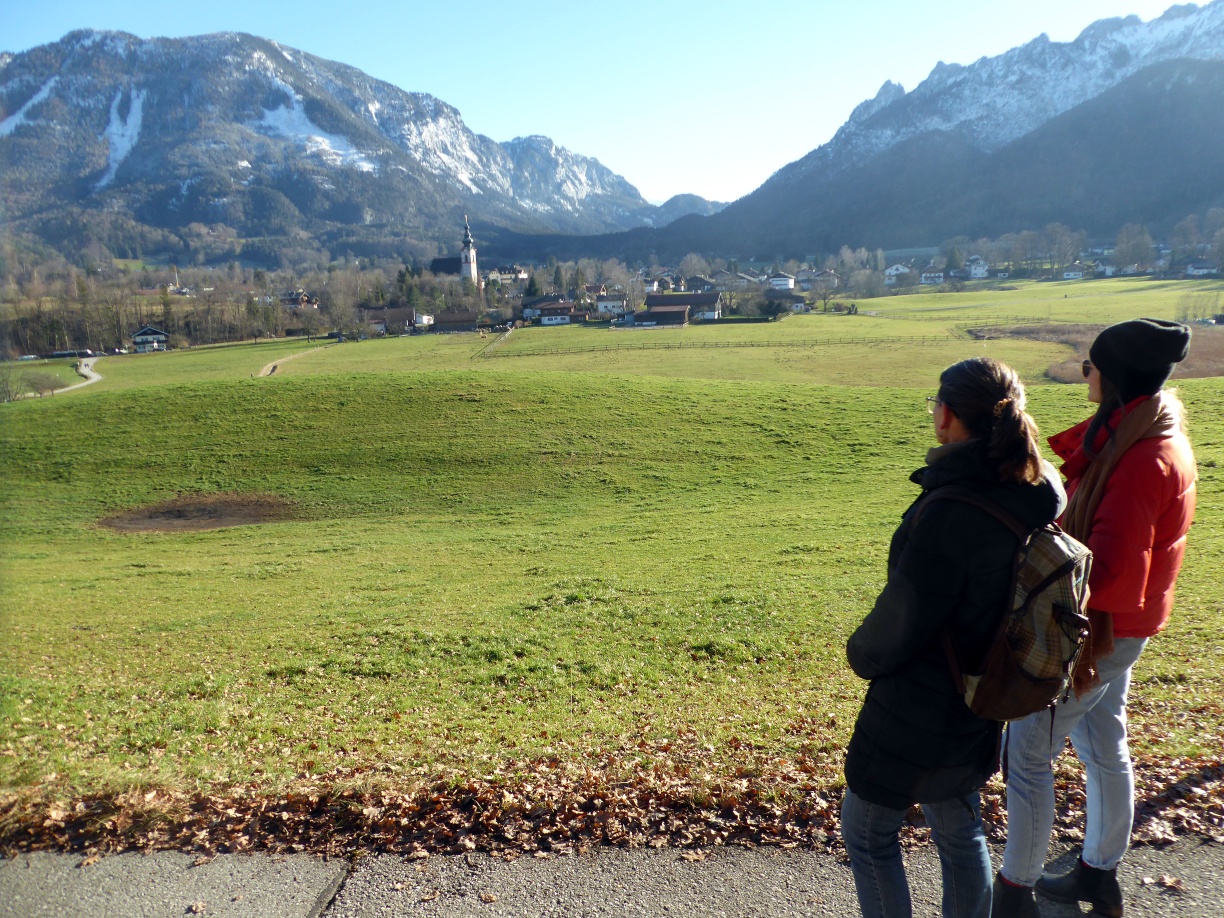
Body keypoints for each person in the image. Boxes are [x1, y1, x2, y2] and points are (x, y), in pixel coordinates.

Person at [842, 357, 1066, 918]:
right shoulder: (1032, 491)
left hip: (917, 701)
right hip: (983, 692)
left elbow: (904, 618)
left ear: (946, 416)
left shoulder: (953, 510)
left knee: (868, 832)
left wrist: (859, 653)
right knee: (959, 829)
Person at [994, 319, 1196, 918]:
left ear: (1112, 376)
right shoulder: (1144, 432)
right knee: (1102, 740)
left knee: (1027, 749)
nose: (1085, 372)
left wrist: (1040, 572)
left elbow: (1107, 573)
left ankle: (1013, 893)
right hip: (1127, 624)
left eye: (1090, 364)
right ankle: (1096, 874)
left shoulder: (1140, 459)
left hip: (1101, 629)